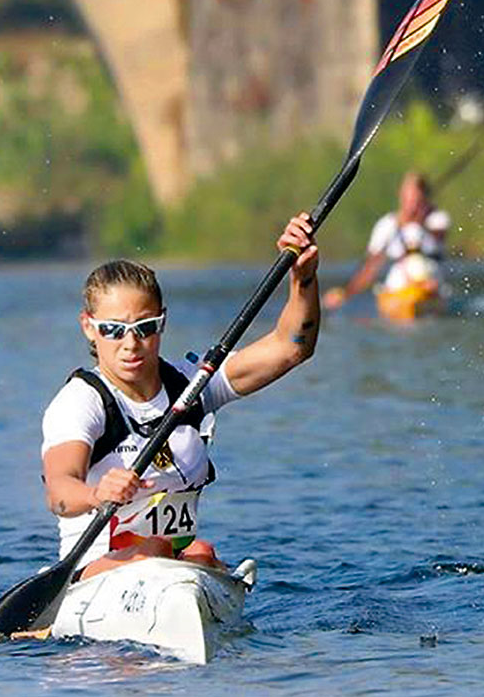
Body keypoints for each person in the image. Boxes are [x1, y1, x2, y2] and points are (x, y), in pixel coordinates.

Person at [41, 213, 319, 581]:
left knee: (202, 552)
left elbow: (291, 348)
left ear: (163, 322)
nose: (130, 344)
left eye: (144, 328)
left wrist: (303, 279)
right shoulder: (81, 402)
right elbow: (59, 490)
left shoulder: (192, 385)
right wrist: (95, 494)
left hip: (176, 567)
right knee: (161, 551)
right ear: (88, 327)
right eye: (113, 330)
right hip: (92, 576)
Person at [322, 173, 449, 309]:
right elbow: (371, 266)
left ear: (424, 198)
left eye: (416, 199)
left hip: (430, 284)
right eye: (409, 198)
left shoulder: (437, 219)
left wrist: (417, 220)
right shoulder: (387, 225)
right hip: (400, 288)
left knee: (429, 283)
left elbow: (439, 235)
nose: (412, 204)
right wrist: (346, 294)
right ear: (401, 196)